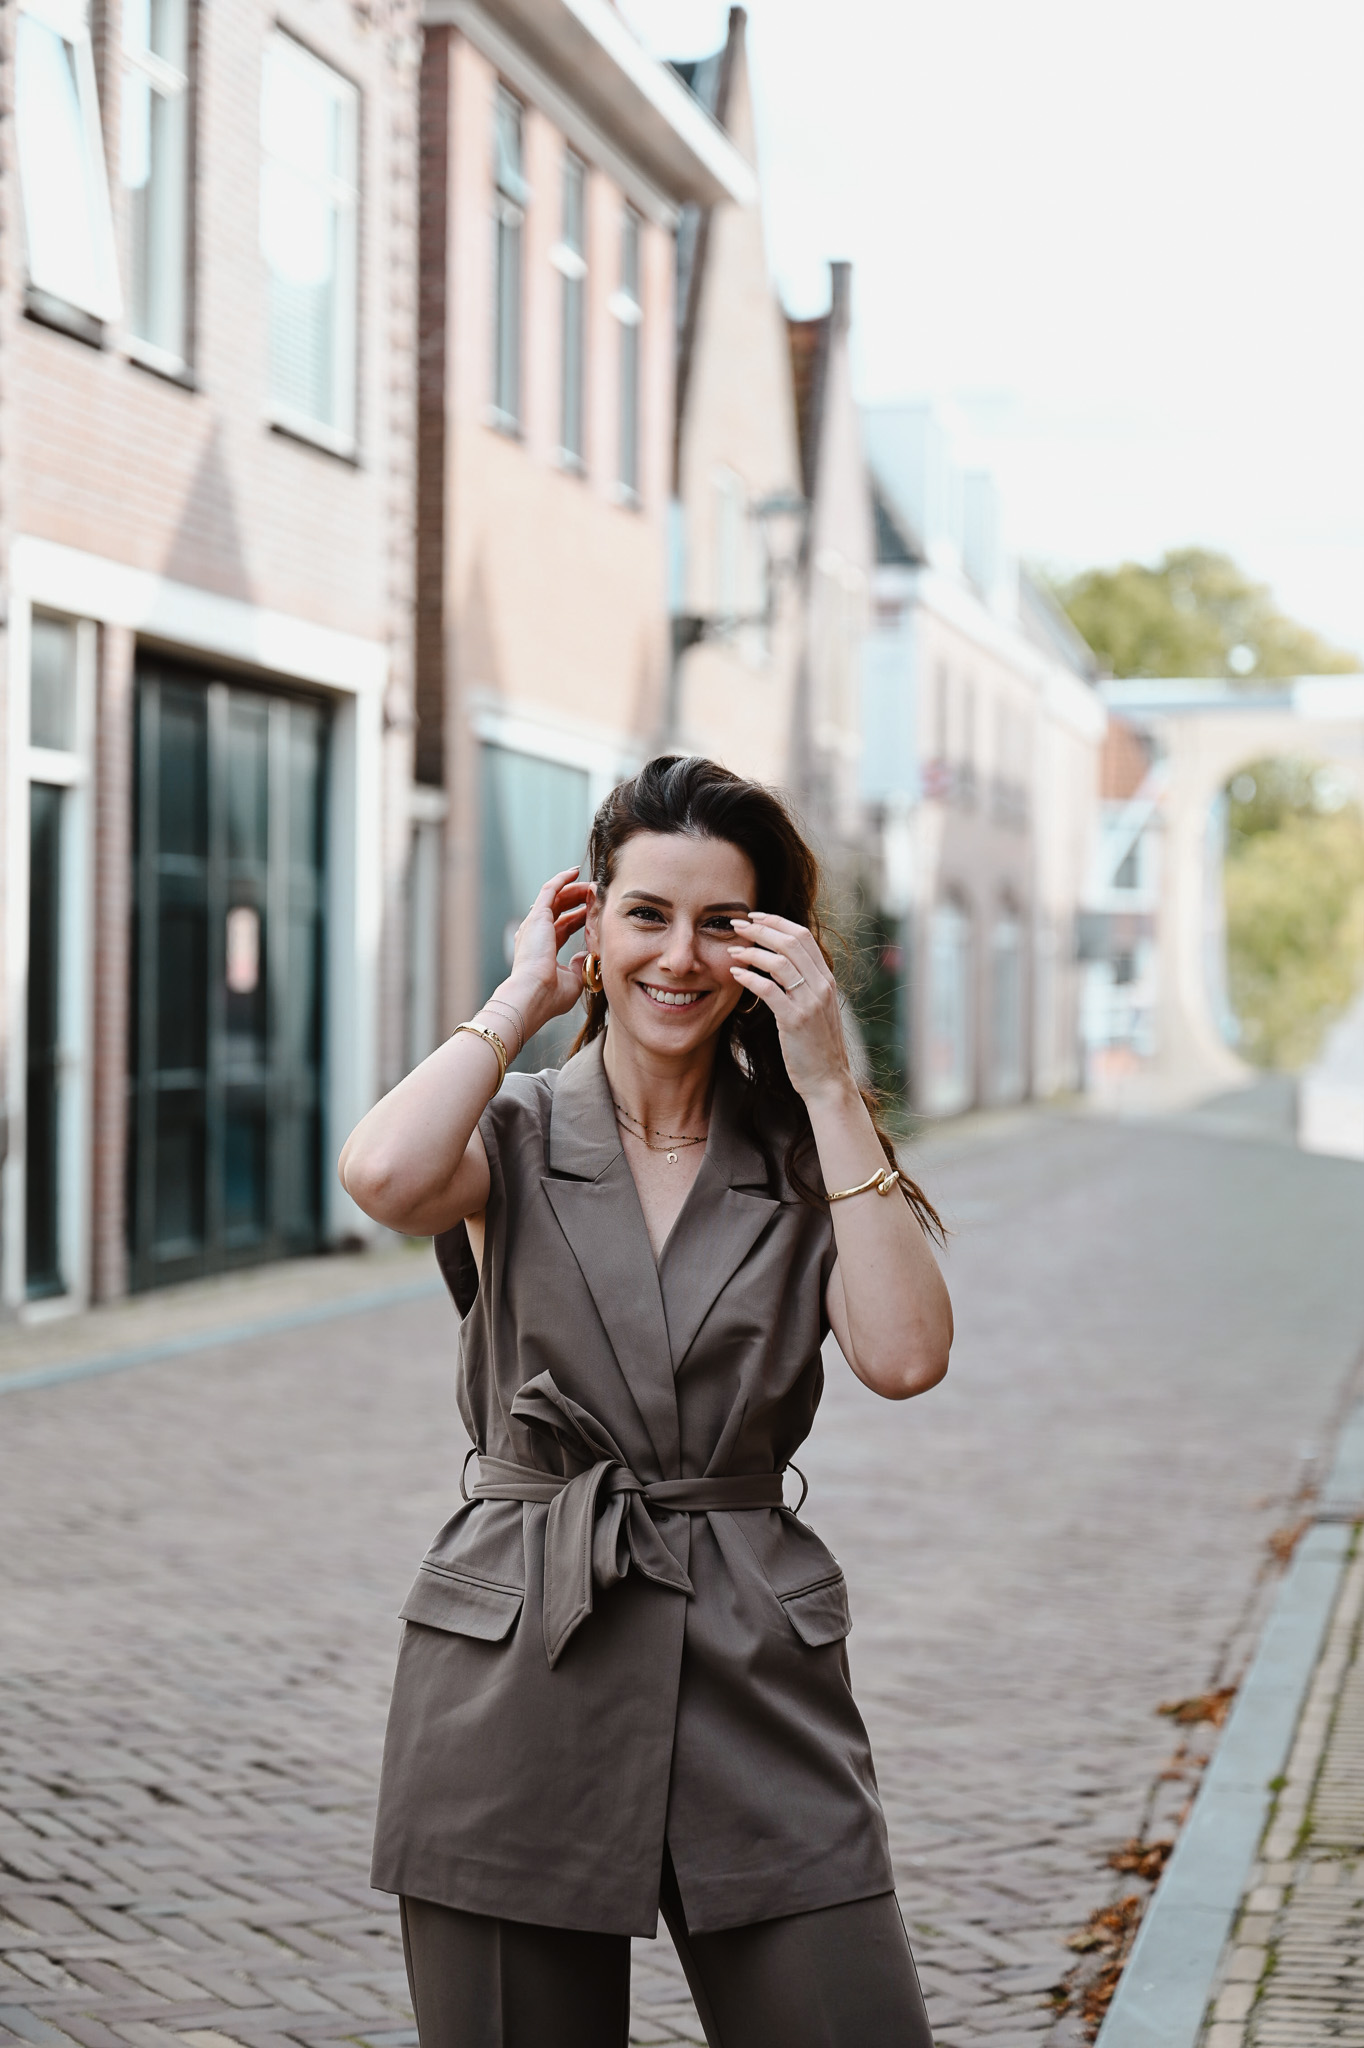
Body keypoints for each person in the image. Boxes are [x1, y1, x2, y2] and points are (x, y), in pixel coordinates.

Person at [340, 756, 952, 2048]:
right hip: (521, 1653)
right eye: (647, 915)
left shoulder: (808, 1154)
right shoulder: (507, 1132)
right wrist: (519, 997)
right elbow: (383, 1178)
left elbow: (905, 1357)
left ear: (773, 948)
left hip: (752, 1658)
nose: (680, 957)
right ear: (593, 924)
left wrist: (829, 1083)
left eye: (721, 922)